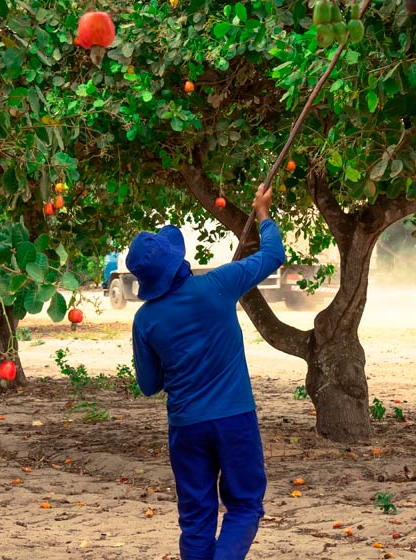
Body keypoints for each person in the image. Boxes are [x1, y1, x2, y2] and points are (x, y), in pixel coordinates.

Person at [127, 185, 285, 560]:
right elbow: (274, 253)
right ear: (179, 262)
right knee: (245, 506)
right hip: (234, 420)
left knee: (196, 517)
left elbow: (149, 386)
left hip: (186, 427)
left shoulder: (145, 320)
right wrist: (262, 212)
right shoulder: (218, 284)